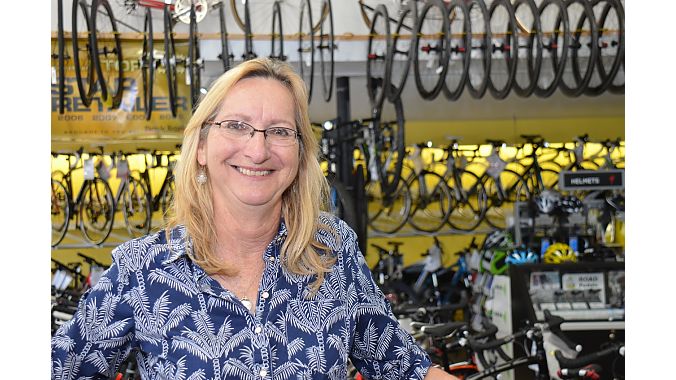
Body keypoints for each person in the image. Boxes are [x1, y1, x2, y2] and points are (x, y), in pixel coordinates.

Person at [51, 57, 459, 380]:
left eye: (280, 131)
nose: (258, 150)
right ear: (201, 146)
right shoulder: (141, 271)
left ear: (300, 155)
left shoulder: (331, 250)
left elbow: (403, 367)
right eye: (236, 126)